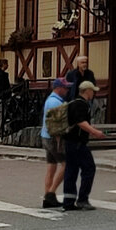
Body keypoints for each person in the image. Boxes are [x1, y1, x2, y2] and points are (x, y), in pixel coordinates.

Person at [62, 80, 105, 211]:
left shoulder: (73, 103)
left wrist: (89, 130)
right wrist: (94, 132)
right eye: (93, 91)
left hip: (69, 142)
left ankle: (68, 201)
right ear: (87, 91)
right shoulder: (81, 104)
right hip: (77, 143)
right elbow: (80, 122)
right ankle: (83, 199)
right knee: (89, 168)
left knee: (71, 171)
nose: (94, 94)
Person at [39, 78, 69, 208]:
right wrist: (58, 140)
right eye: (65, 87)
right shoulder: (55, 102)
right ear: (59, 88)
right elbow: (55, 124)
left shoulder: (50, 100)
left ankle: (48, 197)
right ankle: (50, 193)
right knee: (66, 165)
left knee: (51, 166)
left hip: (45, 136)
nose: (67, 90)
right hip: (54, 138)